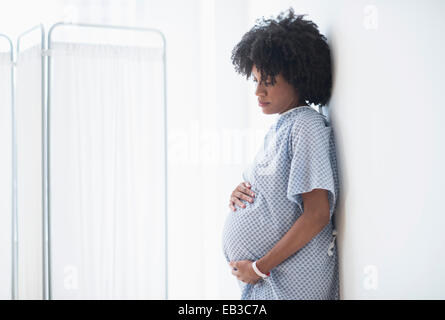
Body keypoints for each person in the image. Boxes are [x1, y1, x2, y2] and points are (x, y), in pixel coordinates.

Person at [221, 7, 340, 300]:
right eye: (256, 80)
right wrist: (242, 193)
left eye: (269, 82)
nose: (258, 91)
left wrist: (260, 268)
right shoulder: (284, 125)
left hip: (289, 281)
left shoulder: (305, 125)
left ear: (298, 78)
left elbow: (317, 214)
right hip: (273, 282)